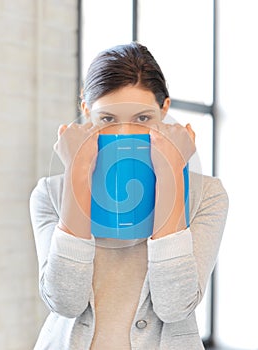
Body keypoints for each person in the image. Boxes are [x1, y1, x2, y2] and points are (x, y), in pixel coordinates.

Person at [30, 42, 229, 350]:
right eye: (107, 119)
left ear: (164, 111)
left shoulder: (207, 195)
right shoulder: (51, 194)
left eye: (142, 119)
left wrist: (171, 174)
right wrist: (77, 173)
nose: (124, 134)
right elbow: (65, 301)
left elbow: (174, 305)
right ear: (86, 110)